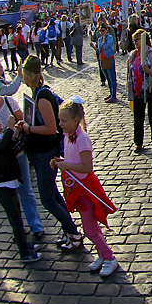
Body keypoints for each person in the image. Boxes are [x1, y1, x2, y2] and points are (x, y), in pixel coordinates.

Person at [19, 55, 83, 251]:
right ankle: (69, 230)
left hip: (45, 153)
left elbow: (50, 128)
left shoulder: (42, 97)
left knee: (47, 199)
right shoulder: (37, 93)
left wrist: (28, 129)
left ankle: (73, 231)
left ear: (28, 75)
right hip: (40, 153)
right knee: (52, 195)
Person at [52, 98, 119, 276]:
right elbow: (73, 161)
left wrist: (66, 165)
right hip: (77, 188)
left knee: (89, 230)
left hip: (86, 188)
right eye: (60, 120)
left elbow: (87, 168)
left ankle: (109, 257)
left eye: (64, 121)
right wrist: (62, 162)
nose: (60, 124)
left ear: (76, 120)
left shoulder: (82, 139)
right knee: (93, 227)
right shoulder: (68, 137)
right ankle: (103, 254)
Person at [0, 75, 45, 240]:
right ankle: (18, 229)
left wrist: (17, 129)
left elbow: (24, 121)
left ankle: (36, 226)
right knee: (10, 198)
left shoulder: (9, 102)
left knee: (26, 191)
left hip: (18, 154)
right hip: (1, 160)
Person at [0, 111, 42, 263]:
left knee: (18, 218)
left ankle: (26, 245)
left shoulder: (0, 138)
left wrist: (20, 133)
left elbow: (15, 148)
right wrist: (10, 129)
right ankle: (25, 253)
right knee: (17, 223)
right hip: (3, 188)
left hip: (10, 185)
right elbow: (1, 147)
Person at [127, 30, 152, 152]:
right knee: (138, 118)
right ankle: (138, 143)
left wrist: (150, 71)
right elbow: (129, 73)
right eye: (133, 41)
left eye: (136, 40)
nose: (135, 43)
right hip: (138, 91)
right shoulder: (133, 55)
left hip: (151, 89)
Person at [95, 24, 118, 103]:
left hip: (109, 58)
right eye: (100, 31)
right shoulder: (99, 39)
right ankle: (111, 93)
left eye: (103, 30)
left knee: (112, 78)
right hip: (102, 59)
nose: (102, 32)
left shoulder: (110, 38)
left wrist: (103, 43)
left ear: (106, 30)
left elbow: (106, 47)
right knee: (108, 78)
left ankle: (114, 95)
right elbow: (99, 49)